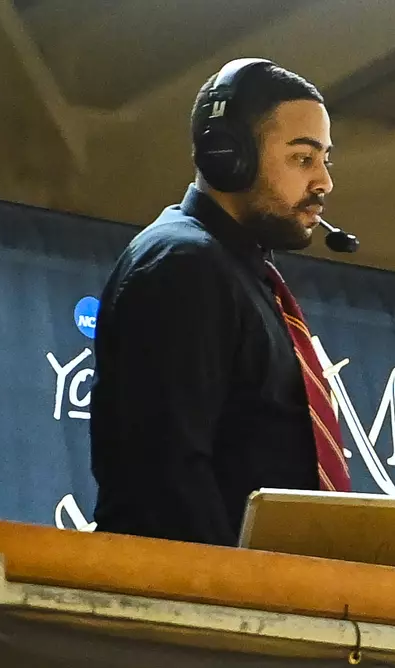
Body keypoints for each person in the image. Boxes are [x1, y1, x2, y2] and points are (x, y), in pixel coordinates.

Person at [90, 58, 350, 545]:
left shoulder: (239, 275)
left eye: (325, 161)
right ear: (227, 157)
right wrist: (239, 586)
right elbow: (165, 479)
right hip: (191, 588)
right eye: (302, 158)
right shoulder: (183, 266)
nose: (323, 182)